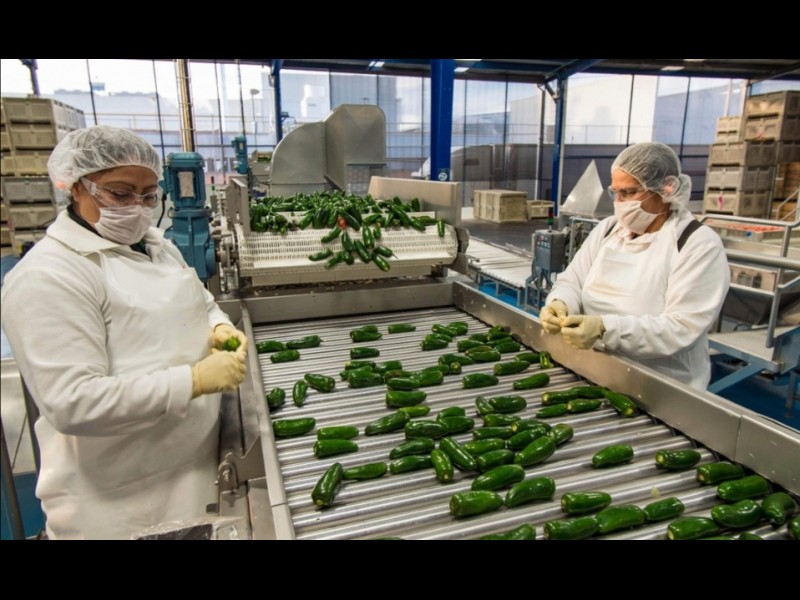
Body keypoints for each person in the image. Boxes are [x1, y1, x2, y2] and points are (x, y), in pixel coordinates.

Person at [1, 125, 249, 539]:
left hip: (192, 472)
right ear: (76, 187)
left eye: (148, 196)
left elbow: (199, 300)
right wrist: (192, 381)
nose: (136, 207)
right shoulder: (49, 276)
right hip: (124, 504)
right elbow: (73, 402)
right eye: (120, 193)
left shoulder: (156, 245)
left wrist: (218, 325)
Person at [540, 142, 730, 391]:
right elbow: (573, 279)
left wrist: (604, 329)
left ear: (667, 188)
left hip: (660, 386)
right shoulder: (609, 229)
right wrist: (560, 302)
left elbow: (682, 328)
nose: (619, 203)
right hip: (595, 370)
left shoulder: (697, 244)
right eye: (615, 193)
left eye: (629, 193)